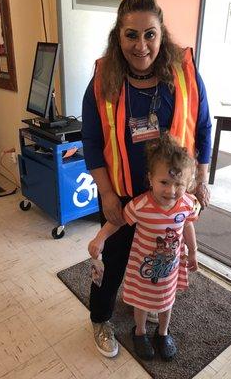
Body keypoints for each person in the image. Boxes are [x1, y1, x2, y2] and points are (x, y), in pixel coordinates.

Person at [81, 0, 212, 358]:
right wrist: (107, 194)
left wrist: (201, 179)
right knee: (115, 261)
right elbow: (91, 140)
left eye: (150, 34)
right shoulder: (103, 76)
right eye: (131, 35)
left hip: (169, 192)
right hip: (121, 193)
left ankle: (148, 304)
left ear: (161, 34)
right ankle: (100, 317)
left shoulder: (184, 71)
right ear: (118, 36)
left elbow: (203, 126)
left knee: (161, 256)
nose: (141, 46)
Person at [88, 133, 200, 361]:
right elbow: (117, 222)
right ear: (150, 179)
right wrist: (100, 238)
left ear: (188, 183)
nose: (171, 191)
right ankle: (139, 332)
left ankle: (163, 332)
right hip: (143, 267)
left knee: (167, 300)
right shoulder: (140, 205)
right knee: (141, 301)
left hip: (170, 267)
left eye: (179, 184)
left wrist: (194, 252)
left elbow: (188, 226)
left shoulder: (186, 204)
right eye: (164, 183)